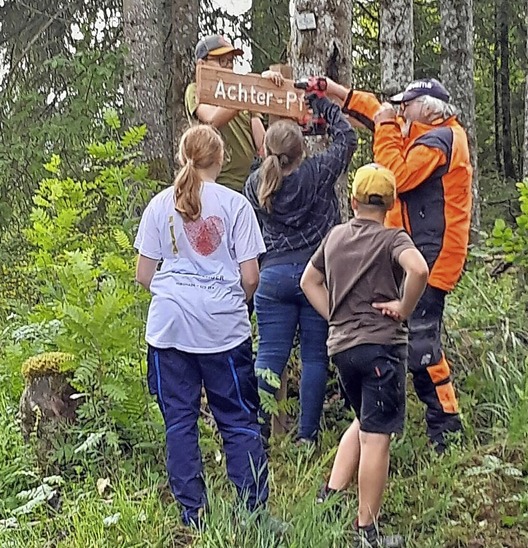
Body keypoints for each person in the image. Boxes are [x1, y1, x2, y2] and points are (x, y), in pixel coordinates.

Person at [324, 77, 472, 453]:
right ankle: (402, 421)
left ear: (428, 108)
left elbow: (396, 176)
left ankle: (447, 429)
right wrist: (333, 92)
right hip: (413, 255)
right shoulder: (425, 132)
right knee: (409, 342)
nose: (400, 111)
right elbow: (377, 113)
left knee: (423, 345)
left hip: (431, 260)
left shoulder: (440, 141)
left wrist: (388, 124)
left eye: (407, 106)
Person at [134, 124, 269, 527]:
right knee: (239, 419)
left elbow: (144, 274)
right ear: (222, 158)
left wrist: (177, 293)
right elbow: (250, 276)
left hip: (169, 329)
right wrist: (233, 304)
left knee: (179, 422)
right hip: (223, 330)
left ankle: (193, 515)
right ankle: (253, 513)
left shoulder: (159, 206)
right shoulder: (236, 206)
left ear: (181, 157)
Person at [301, 163, 429, 548]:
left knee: (363, 420)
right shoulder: (393, 239)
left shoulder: (335, 237)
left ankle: (330, 495)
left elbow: (309, 281)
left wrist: (335, 316)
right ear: (390, 205)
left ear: (352, 200)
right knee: (377, 436)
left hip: (342, 349)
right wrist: (404, 307)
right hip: (380, 347)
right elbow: (419, 269)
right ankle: (366, 533)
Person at [243, 89, 357, 447]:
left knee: (269, 356)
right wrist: (322, 105)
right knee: (314, 357)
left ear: (265, 152)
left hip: (273, 276)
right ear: (301, 151)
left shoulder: (255, 184)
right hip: (316, 277)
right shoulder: (318, 172)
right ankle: (307, 437)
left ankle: (256, 433)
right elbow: (348, 137)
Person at [184, 34, 284, 193]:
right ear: (202, 64)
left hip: (250, 182)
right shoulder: (196, 90)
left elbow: (262, 143)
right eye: (222, 61)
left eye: (230, 61)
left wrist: (261, 88)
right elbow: (211, 120)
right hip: (217, 181)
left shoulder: (243, 93)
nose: (228, 66)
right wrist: (249, 89)